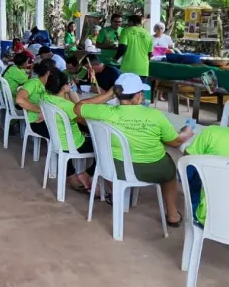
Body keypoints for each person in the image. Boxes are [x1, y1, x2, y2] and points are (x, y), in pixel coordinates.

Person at [74, 73, 194, 226]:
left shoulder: (106, 112)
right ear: (138, 95)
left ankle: (118, 197)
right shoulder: (155, 115)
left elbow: (78, 108)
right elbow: (174, 142)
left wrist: (108, 95)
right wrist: (186, 133)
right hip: (151, 170)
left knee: (117, 156)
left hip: (115, 168)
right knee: (169, 169)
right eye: (141, 93)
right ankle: (173, 215)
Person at [43, 70, 96, 193]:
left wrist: (67, 93)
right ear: (64, 87)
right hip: (73, 144)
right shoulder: (67, 106)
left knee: (87, 135)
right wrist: (74, 97)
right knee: (105, 147)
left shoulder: (46, 97)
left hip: (57, 140)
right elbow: (84, 121)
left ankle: (71, 175)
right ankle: (86, 174)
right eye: (69, 84)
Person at [183, 125, 229, 225]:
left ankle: (195, 204)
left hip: (208, 219)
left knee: (191, 167)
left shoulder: (211, 132)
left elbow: (187, 157)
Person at [15, 59, 57, 138]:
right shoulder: (33, 83)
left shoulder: (51, 84)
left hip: (49, 118)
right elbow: (19, 100)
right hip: (36, 121)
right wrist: (41, 110)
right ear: (48, 73)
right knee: (64, 133)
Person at [116, 14, 153, 79]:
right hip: (143, 68)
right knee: (140, 88)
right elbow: (149, 53)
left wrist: (115, 58)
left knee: (126, 88)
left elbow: (122, 47)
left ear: (131, 22)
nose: (128, 24)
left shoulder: (126, 31)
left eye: (128, 22)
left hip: (128, 67)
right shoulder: (148, 34)